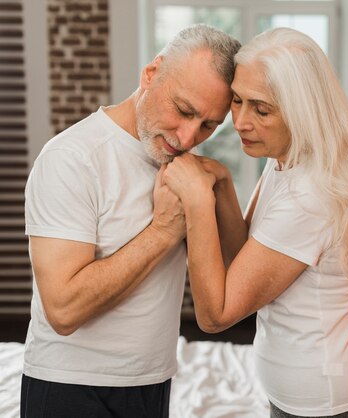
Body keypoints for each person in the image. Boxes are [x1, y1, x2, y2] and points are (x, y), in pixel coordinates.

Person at [162, 27, 348, 417]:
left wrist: (197, 201)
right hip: (305, 398)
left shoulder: (309, 196)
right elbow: (247, 261)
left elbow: (216, 315)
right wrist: (221, 183)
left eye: (261, 109)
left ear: (302, 111)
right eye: (237, 100)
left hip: (330, 405)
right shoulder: (288, 159)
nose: (239, 121)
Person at [21, 24, 240, 417]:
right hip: (71, 387)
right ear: (151, 74)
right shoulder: (71, 158)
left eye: (208, 125)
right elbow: (63, 311)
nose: (188, 136)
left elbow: (236, 281)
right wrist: (163, 231)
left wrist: (222, 184)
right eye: (184, 110)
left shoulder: (185, 167)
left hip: (152, 384)